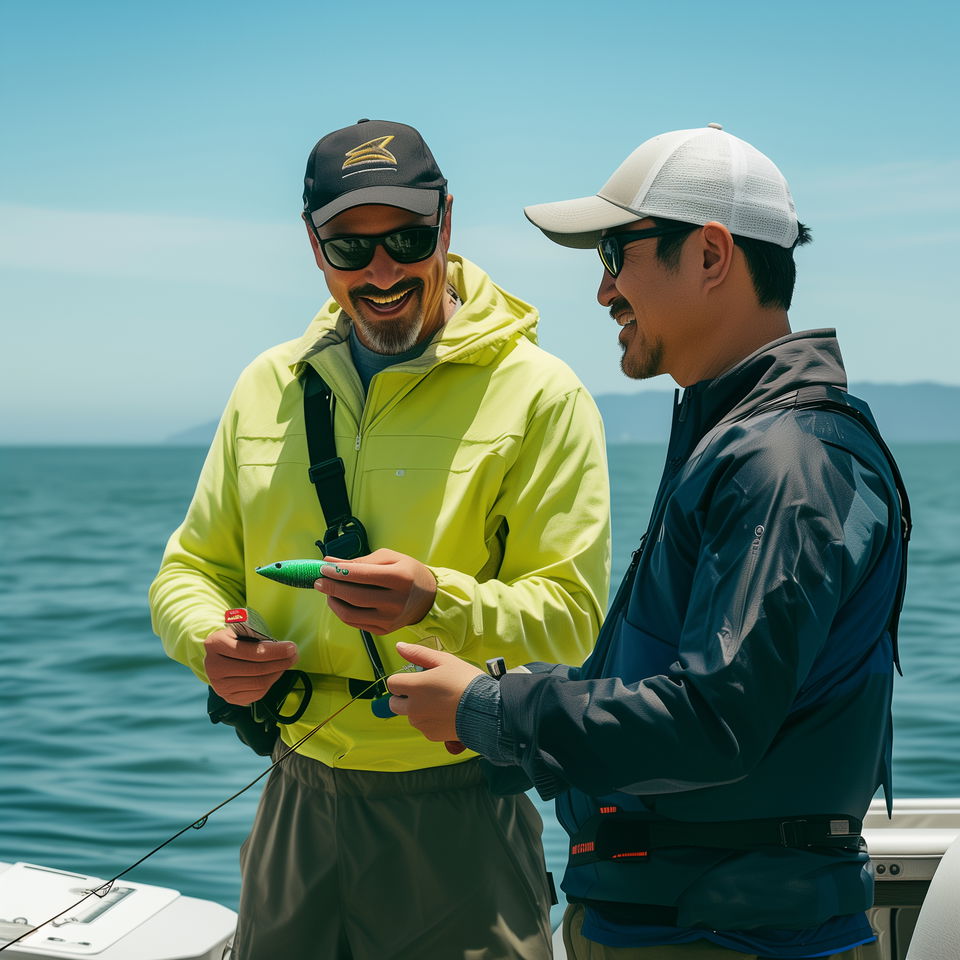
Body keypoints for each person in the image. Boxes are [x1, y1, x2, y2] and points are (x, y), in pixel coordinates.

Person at [387, 123, 909, 960]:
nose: (602, 291)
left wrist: (497, 708)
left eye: (615, 255)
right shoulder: (742, 441)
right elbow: (676, 688)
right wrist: (500, 703)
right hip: (687, 924)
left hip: (722, 936)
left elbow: (713, 721)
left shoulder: (783, 459)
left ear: (709, 255)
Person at [149, 118, 611, 960]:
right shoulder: (265, 386)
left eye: (406, 236)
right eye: (351, 246)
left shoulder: (545, 395)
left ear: (447, 223)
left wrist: (439, 598)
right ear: (313, 245)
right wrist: (208, 639)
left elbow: (574, 618)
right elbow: (190, 568)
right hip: (294, 799)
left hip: (464, 804)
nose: (383, 269)